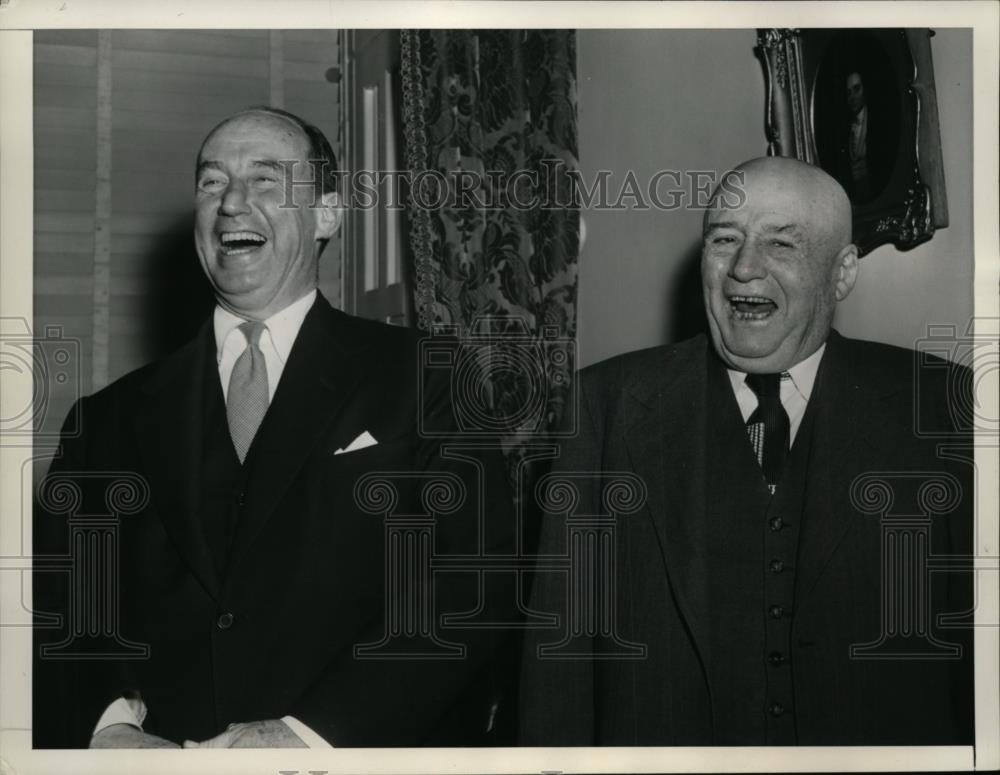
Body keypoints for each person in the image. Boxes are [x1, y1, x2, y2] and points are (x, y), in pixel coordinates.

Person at [33, 107, 514, 748]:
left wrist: (306, 735)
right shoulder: (106, 419)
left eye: (266, 179)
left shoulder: (430, 378)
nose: (232, 202)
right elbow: (63, 599)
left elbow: (472, 587)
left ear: (327, 214)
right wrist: (108, 728)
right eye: (212, 182)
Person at [518, 156, 973, 745]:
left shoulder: (942, 407)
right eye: (724, 239)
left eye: (782, 244)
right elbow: (559, 666)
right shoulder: (607, 406)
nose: (743, 268)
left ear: (841, 272)